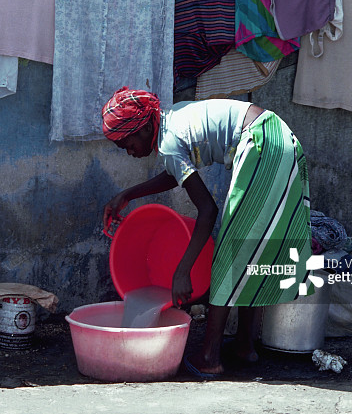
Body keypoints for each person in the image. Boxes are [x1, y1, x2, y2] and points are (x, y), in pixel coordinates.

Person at [101, 87, 313, 378]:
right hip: (276, 135)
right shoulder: (171, 119)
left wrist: (182, 271)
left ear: (146, 126)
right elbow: (176, 173)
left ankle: (210, 356)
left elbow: (207, 211)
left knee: (229, 251)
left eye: (128, 143)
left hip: (262, 143)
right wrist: (129, 194)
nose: (130, 151)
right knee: (250, 247)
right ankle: (244, 346)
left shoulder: (169, 142)